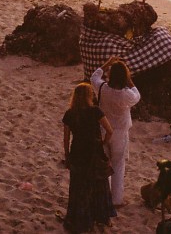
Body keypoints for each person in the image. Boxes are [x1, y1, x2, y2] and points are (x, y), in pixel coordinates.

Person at [62, 82, 116, 233]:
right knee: (99, 184)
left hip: (78, 152)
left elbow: (66, 139)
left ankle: (80, 219)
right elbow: (110, 130)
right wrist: (103, 142)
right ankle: (101, 217)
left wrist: (67, 156)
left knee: (79, 186)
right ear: (89, 96)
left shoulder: (70, 113)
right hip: (94, 151)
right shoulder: (96, 111)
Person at [90, 56, 141, 207]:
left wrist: (107, 63)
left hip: (103, 129)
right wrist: (129, 79)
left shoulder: (102, 88)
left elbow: (94, 76)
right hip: (120, 131)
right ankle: (116, 199)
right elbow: (137, 95)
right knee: (118, 164)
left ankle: (104, 195)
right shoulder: (126, 95)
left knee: (105, 162)